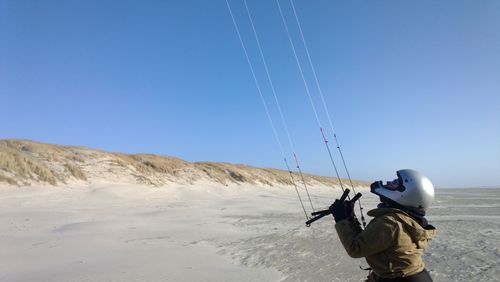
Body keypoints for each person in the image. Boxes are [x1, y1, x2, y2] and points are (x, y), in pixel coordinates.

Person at [330, 169, 436, 282]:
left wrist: (340, 218)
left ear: (407, 193)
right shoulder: (407, 220)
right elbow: (368, 241)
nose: (389, 183)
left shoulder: (390, 223)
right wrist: (350, 218)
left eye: (396, 182)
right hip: (414, 276)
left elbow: (355, 248)